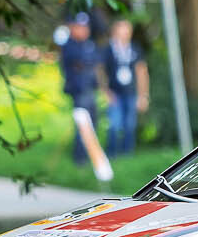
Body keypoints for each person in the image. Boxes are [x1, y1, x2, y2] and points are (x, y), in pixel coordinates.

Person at [57, 12, 112, 180]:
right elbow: (81, 62)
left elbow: (95, 62)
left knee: (93, 124)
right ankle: (80, 159)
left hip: (90, 90)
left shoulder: (89, 44)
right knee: (83, 125)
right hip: (78, 91)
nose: (83, 30)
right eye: (79, 27)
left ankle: (90, 158)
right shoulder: (69, 45)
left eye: (85, 27)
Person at [102, 17, 150, 156]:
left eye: (127, 32)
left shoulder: (135, 49)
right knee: (114, 124)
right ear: (114, 32)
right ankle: (112, 154)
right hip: (114, 93)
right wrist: (105, 92)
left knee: (130, 125)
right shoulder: (108, 50)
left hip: (131, 93)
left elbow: (142, 72)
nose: (124, 35)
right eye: (121, 32)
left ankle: (127, 155)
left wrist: (143, 95)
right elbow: (100, 72)